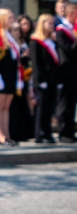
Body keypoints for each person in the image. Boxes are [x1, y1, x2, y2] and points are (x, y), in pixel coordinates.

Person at [0, 8, 20, 146]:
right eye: (10, 18)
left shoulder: (9, 35)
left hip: (11, 74)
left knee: (6, 106)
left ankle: (7, 135)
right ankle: (0, 135)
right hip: (1, 75)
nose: (12, 21)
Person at [30, 14, 60, 144]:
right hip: (42, 80)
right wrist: (40, 80)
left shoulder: (52, 41)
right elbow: (36, 63)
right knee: (41, 108)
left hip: (52, 79)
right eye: (49, 23)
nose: (51, 26)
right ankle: (40, 134)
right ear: (42, 25)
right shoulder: (35, 41)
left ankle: (48, 133)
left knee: (49, 108)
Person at [54, 3, 77, 143]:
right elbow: (68, 50)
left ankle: (70, 132)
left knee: (71, 103)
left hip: (74, 72)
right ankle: (63, 132)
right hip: (65, 71)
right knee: (64, 103)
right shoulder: (61, 30)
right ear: (70, 14)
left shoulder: (71, 30)